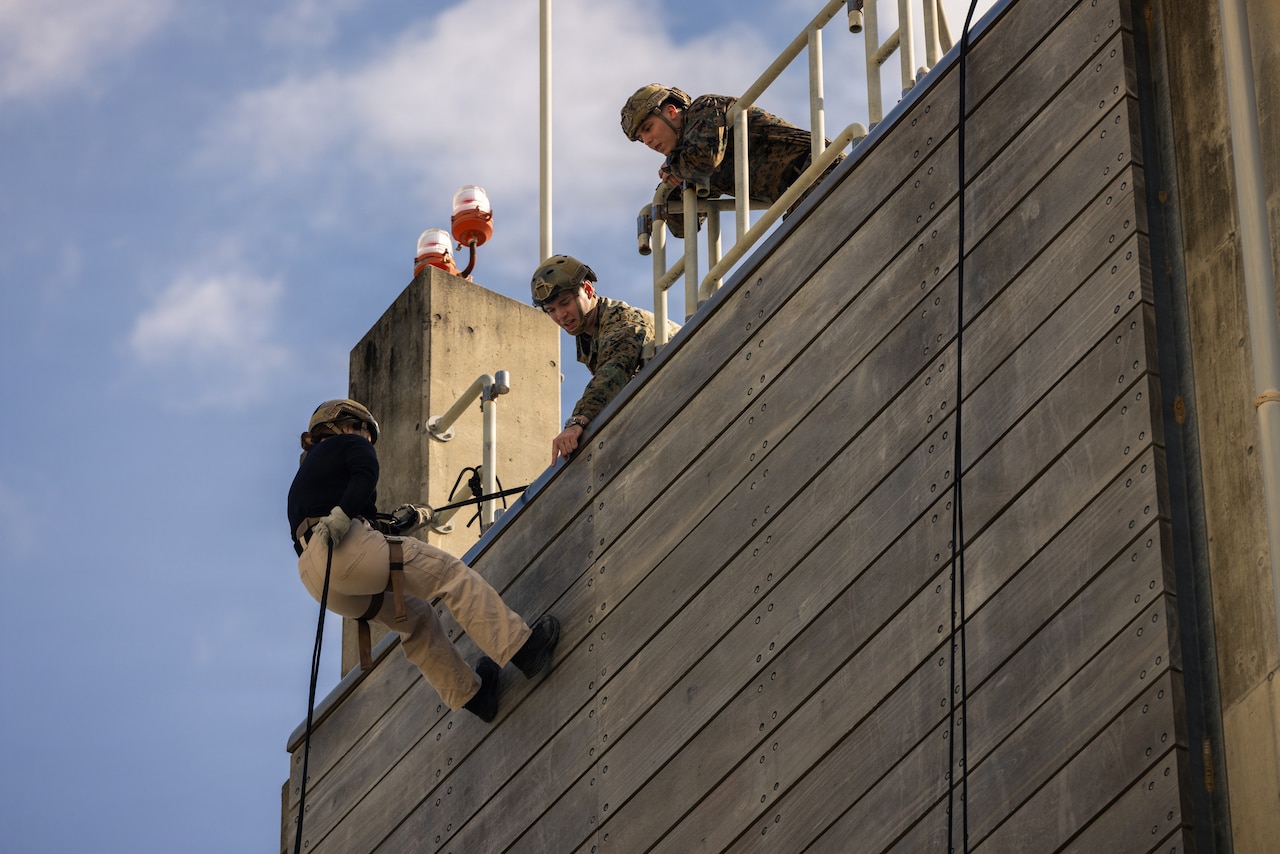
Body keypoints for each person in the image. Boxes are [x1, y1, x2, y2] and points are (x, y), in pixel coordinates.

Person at [287, 398, 560, 723]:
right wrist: (348, 514)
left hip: (318, 579)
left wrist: (392, 521)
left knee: (415, 619)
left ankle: (474, 696)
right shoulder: (348, 443)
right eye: (366, 434)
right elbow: (366, 474)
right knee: (449, 574)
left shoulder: (306, 475)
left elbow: (361, 519)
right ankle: (523, 650)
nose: (367, 442)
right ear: (346, 425)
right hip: (345, 547)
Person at [620, 83, 843, 236]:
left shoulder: (704, 109)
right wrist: (670, 189)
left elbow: (704, 161)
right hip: (800, 192)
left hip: (820, 168)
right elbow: (684, 227)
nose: (648, 141)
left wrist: (673, 166)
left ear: (670, 111)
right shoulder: (685, 158)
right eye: (641, 138)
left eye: (648, 128)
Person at [531, 254, 681, 463]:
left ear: (588, 290)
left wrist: (576, 423)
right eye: (551, 310)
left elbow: (612, 373)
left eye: (565, 303)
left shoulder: (622, 323)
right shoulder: (590, 335)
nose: (560, 316)